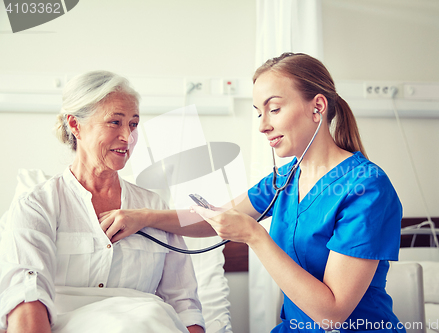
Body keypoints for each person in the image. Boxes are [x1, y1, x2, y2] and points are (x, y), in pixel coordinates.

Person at [99, 53, 404, 332]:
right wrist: (144, 217)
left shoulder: (367, 188)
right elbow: (215, 219)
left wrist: (255, 236)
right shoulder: (284, 180)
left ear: (318, 107)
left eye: (274, 109)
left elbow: (332, 314)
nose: (263, 126)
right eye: (259, 113)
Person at [0, 71, 205, 333]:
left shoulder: (154, 208)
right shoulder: (37, 206)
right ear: (75, 125)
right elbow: (26, 296)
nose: (128, 137)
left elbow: (184, 303)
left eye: (133, 124)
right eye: (114, 122)